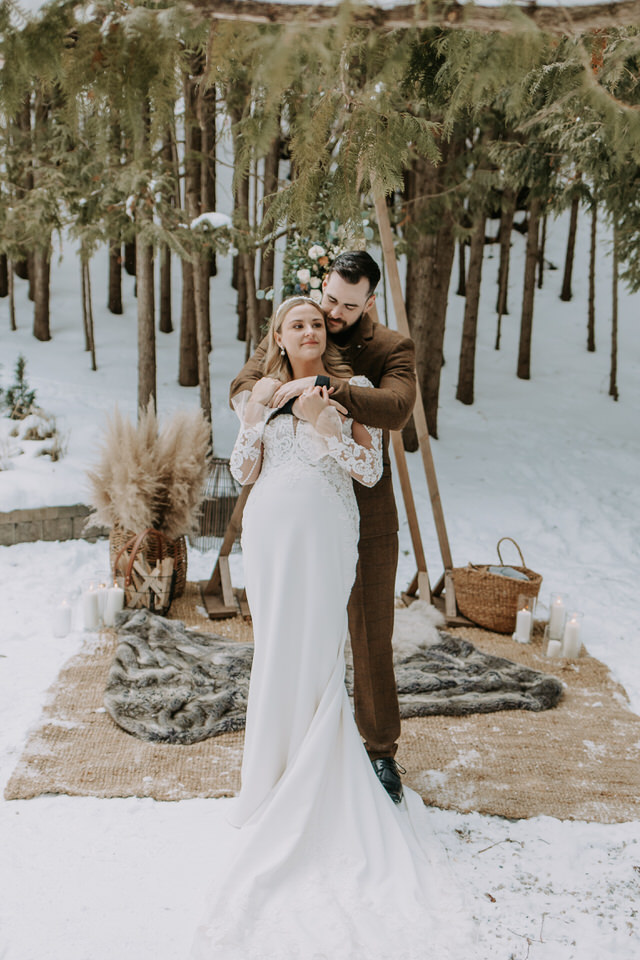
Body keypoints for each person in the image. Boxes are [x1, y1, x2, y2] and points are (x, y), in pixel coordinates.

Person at [190, 296, 470, 959]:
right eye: (297, 324)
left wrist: (330, 423)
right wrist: (263, 413)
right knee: (274, 648)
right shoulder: (259, 390)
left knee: (317, 648)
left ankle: (322, 771)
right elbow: (241, 469)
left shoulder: (351, 391)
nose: (310, 330)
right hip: (270, 532)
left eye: (317, 322)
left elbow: (371, 471)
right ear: (279, 336)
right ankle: (272, 776)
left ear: (324, 333)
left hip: (328, 529)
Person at [229, 251, 416, 804]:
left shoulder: (388, 350)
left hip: (361, 511)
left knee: (368, 632)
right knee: (286, 636)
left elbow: (398, 408)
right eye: (327, 300)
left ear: (369, 304)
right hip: (277, 524)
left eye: (343, 307)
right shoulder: (290, 335)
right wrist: (258, 402)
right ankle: (285, 750)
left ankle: (379, 751)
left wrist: (329, 398)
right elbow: (246, 385)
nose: (330, 315)